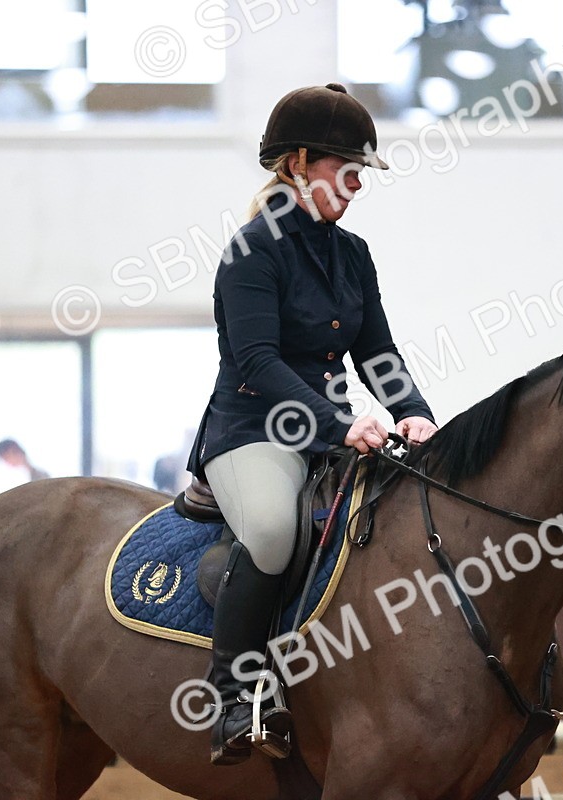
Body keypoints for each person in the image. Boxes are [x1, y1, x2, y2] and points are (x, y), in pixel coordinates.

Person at [186, 83, 438, 766]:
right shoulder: (252, 251)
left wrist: (413, 412)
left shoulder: (351, 253)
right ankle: (232, 697)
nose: (357, 186)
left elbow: (376, 351)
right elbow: (259, 361)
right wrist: (337, 422)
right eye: (348, 172)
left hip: (332, 428)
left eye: (360, 175)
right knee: (272, 530)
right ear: (299, 164)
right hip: (254, 431)